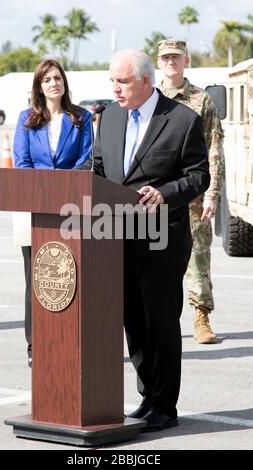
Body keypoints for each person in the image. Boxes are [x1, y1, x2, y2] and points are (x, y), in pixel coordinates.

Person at [88, 49, 210, 431]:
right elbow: (99, 169)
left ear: (144, 81)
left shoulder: (182, 120)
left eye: (121, 82)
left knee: (160, 323)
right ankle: (147, 395)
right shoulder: (108, 118)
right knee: (134, 323)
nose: (115, 89)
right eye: (112, 81)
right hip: (116, 237)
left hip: (162, 239)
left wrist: (165, 192)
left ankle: (165, 405)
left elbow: (198, 176)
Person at [13, 59, 92, 367]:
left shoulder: (81, 117)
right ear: (39, 86)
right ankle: (35, 345)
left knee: (71, 278)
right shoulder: (26, 119)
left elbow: (86, 162)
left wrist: (64, 189)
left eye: (57, 78)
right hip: (37, 212)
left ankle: (71, 338)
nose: (53, 84)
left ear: (64, 82)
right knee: (37, 279)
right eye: (47, 80)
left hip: (73, 211)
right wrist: (47, 192)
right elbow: (23, 163)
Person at [157, 39, 224, 344]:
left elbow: (214, 148)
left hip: (194, 193)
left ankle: (201, 316)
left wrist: (212, 194)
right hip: (156, 194)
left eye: (176, 57)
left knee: (198, 257)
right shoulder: (150, 98)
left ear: (186, 61)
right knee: (156, 259)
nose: (171, 62)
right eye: (166, 57)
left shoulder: (201, 100)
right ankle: (158, 319)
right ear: (159, 63)